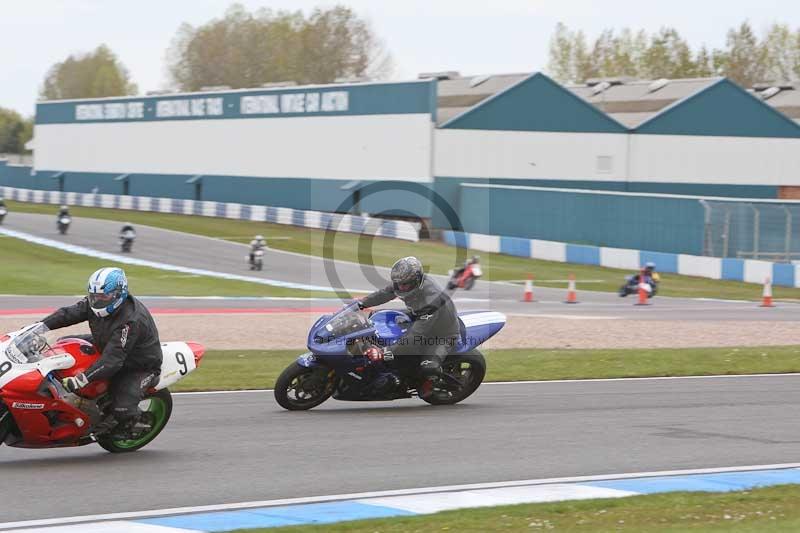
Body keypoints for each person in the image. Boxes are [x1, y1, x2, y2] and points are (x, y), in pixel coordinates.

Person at [40, 267, 163, 438]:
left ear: (119, 294)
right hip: (106, 342)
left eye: (103, 296)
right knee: (63, 344)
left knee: (122, 406)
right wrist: (39, 327)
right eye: (94, 296)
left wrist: (81, 379)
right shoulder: (95, 303)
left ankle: (134, 422)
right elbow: (68, 314)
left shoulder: (131, 320)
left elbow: (112, 360)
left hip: (138, 364)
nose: (97, 301)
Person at [358, 257, 460, 397]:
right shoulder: (404, 283)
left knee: (428, 367)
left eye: (404, 284)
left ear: (415, 280)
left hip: (443, 333)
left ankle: (431, 382)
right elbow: (385, 293)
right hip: (418, 314)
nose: (400, 287)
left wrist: (384, 352)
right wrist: (361, 304)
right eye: (398, 283)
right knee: (377, 316)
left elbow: (414, 339)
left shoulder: (431, 300)